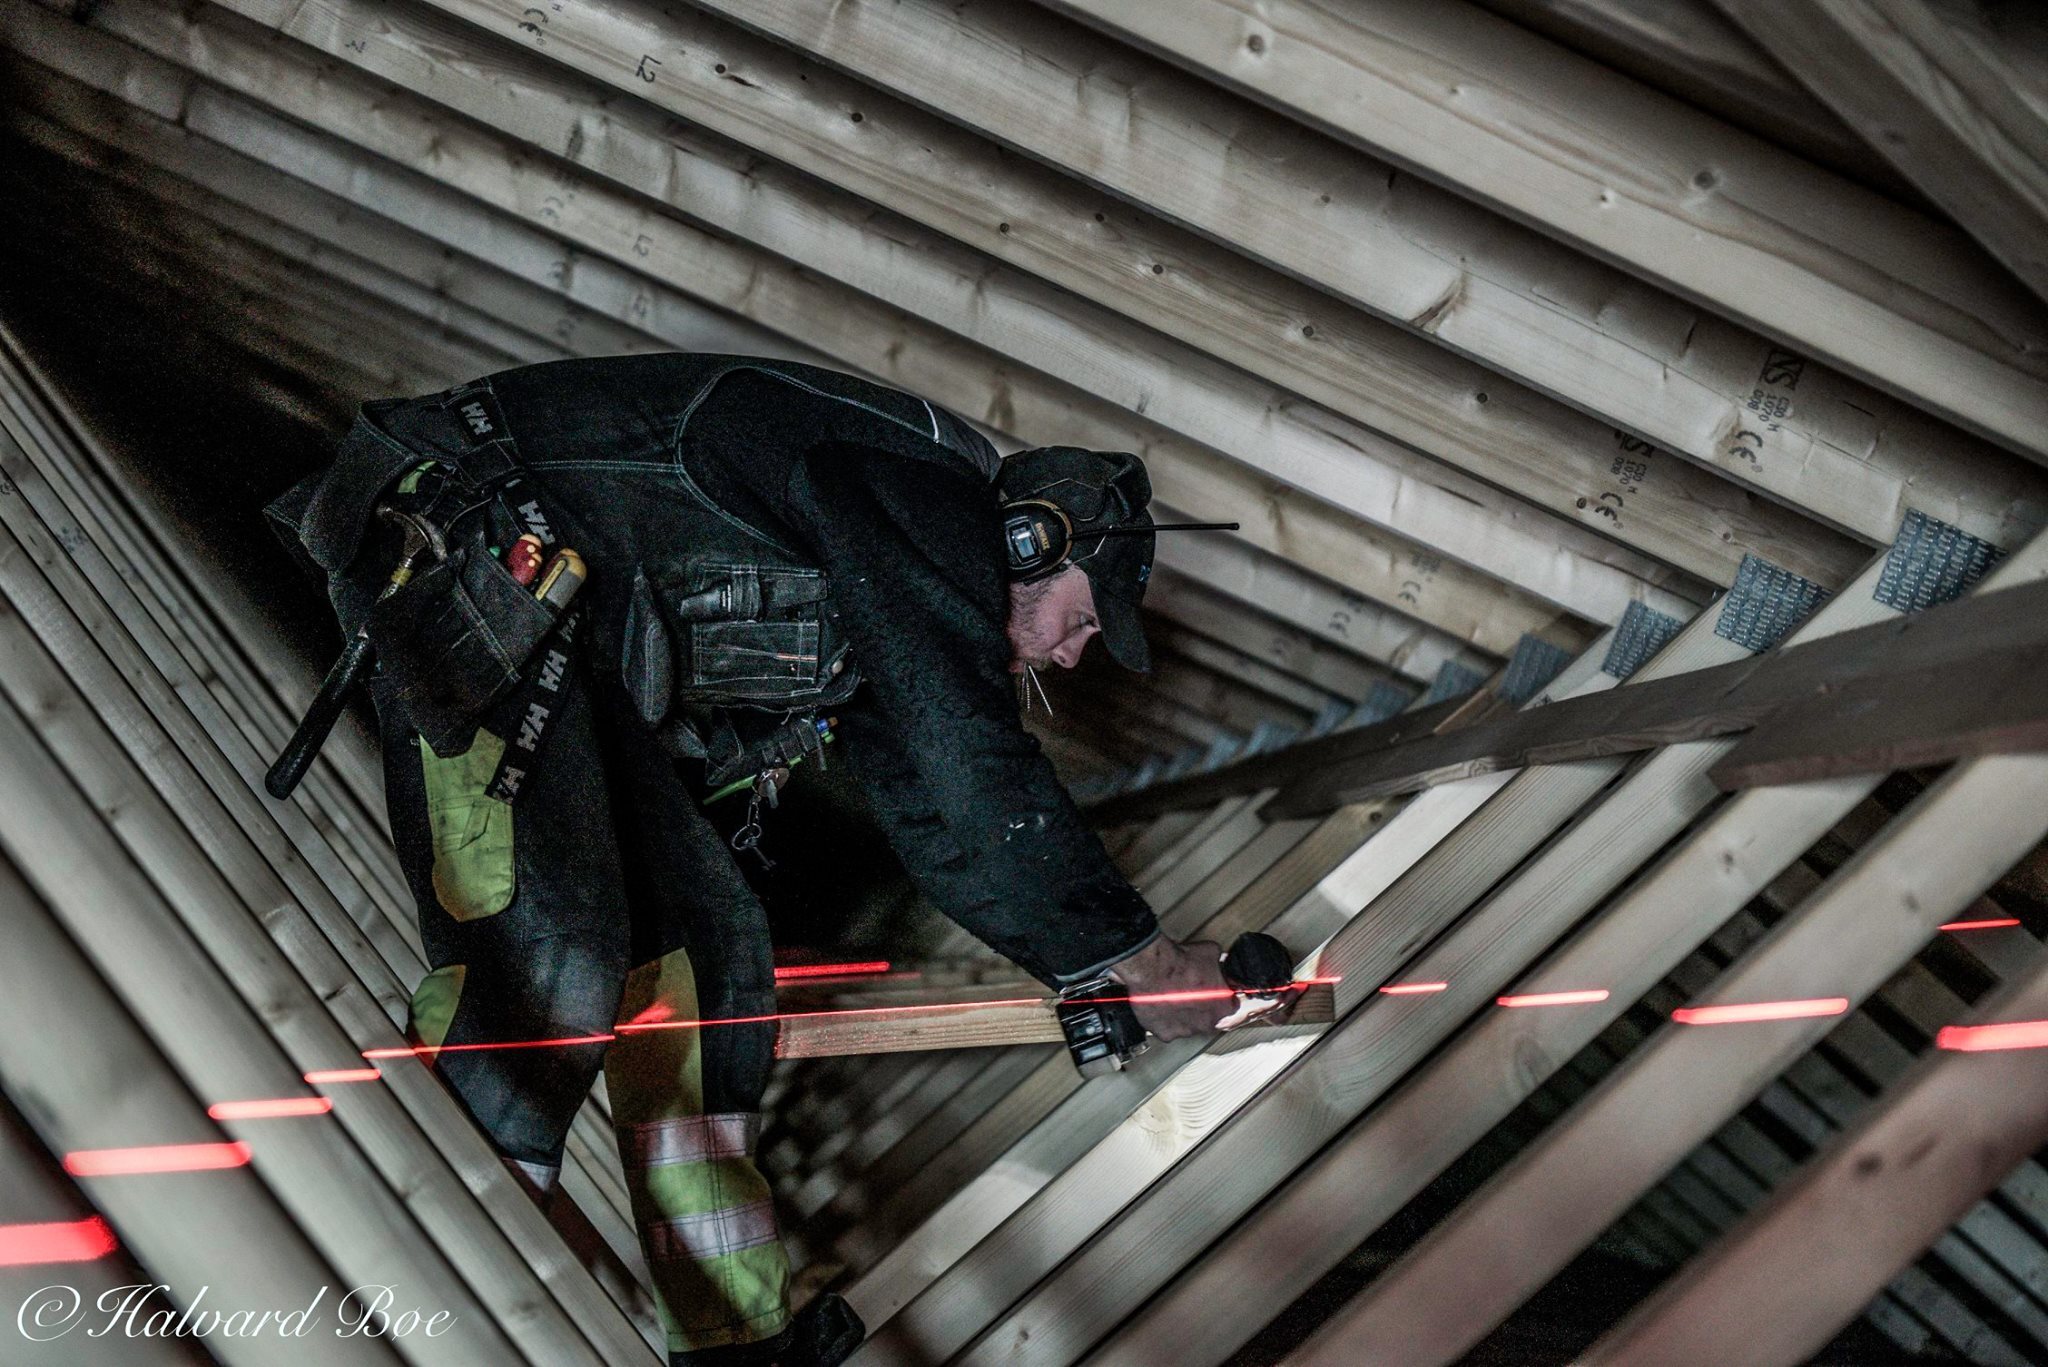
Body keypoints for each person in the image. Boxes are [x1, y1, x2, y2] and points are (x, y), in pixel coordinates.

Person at [266, 353, 1231, 1366]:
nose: (1071, 654)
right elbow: (967, 752)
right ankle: (409, 1303)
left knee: (706, 976)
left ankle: (736, 1345)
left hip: (562, 628)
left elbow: (933, 816)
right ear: (1035, 539)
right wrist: (1144, 954)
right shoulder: (922, 492)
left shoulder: (886, 569)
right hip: (469, 552)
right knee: (548, 959)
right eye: (1081, 617)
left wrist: (1085, 968)